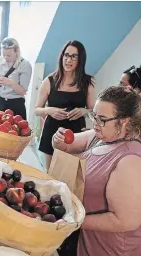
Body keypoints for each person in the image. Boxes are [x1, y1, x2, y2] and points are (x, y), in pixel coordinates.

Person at [52, 86, 141, 256]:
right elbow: (66, 145)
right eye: (94, 116)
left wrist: (75, 220)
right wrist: (58, 138)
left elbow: (124, 221)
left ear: (125, 122)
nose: (95, 123)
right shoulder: (101, 135)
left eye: (102, 119)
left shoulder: (130, 162)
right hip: (80, 234)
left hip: (106, 250)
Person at [35, 40, 95, 171]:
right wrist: (50, 110)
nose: (68, 60)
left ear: (81, 59)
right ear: (62, 56)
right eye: (66, 55)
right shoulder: (50, 81)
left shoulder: (88, 83)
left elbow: (93, 111)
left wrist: (83, 111)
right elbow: (37, 110)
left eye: (74, 56)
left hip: (76, 134)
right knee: (50, 174)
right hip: (52, 133)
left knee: (70, 174)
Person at [0, 37, 32, 120]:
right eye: (3, 54)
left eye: (9, 55)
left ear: (17, 52)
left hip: (16, 103)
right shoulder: (0, 61)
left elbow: (22, 91)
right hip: (0, 101)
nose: (5, 57)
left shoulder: (24, 65)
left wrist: (10, 82)